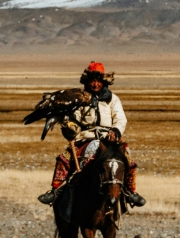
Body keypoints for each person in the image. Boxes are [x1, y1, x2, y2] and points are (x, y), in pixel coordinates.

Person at [37, 62, 145, 207]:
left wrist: (116, 131)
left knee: (129, 162)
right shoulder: (80, 98)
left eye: (98, 81)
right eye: (92, 81)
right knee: (64, 158)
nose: (95, 84)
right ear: (87, 82)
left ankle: (130, 193)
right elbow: (75, 120)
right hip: (86, 138)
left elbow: (120, 119)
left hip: (109, 139)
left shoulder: (113, 99)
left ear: (104, 82)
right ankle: (55, 191)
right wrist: (70, 128)